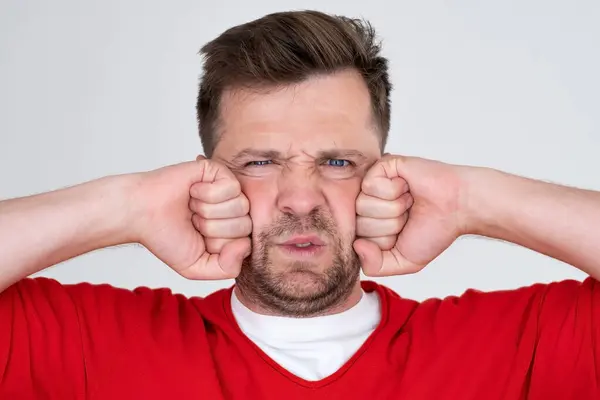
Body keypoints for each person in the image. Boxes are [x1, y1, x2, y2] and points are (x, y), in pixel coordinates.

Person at [1, 9, 599, 399]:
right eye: (259, 162)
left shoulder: (516, 346)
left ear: (388, 173)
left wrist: (475, 199)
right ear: (204, 176)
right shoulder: (85, 344)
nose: (300, 199)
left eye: (338, 162)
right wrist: (123, 205)